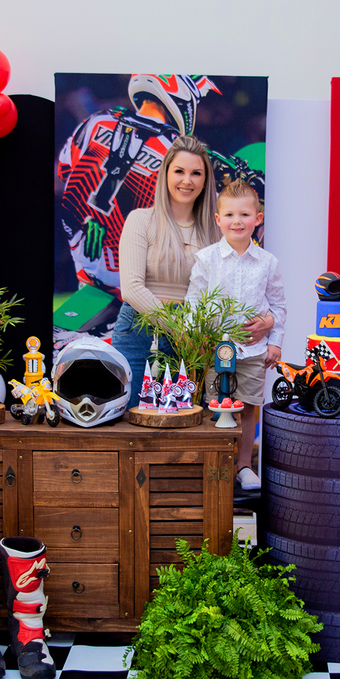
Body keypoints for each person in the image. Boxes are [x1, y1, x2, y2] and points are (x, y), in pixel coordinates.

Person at [113, 137, 275, 409]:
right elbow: (131, 288)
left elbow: (244, 282)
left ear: (205, 180)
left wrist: (268, 320)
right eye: (179, 171)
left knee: (186, 429)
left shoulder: (217, 231)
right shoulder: (140, 220)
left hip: (196, 339)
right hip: (141, 332)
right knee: (131, 421)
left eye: (195, 173)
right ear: (165, 173)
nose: (186, 180)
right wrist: (180, 330)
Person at [186, 180, 286, 490]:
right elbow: (193, 302)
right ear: (218, 220)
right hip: (217, 350)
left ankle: (244, 465)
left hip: (254, 352)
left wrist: (275, 342)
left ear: (259, 218)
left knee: (248, 406)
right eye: (229, 215)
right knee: (217, 403)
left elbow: (279, 305)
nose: (237, 221)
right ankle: (218, 464)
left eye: (245, 215)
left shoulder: (268, 263)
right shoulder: (207, 259)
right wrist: (196, 336)